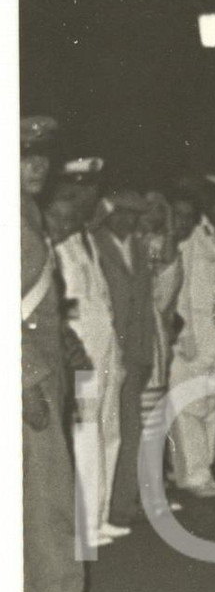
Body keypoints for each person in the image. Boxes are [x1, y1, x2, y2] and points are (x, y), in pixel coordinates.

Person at [21, 115, 129, 592]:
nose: (37, 167)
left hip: (39, 363)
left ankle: (28, 590)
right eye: (25, 157)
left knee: (29, 484)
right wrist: (24, 378)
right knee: (48, 486)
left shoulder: (23, 211)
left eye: (42, 157)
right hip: (25, 370)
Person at [47, 173, 127, 547]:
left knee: (109, 429)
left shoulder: (85, 240)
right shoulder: (57, 244)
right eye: (78, 198)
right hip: (80, 348)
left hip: (103, 345)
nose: (86, 207)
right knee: (86, 433)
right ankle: (85, 523)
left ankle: (100, 515)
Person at [91, 189, 156, 527]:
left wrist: (144, 354)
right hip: (102, 351)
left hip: (131, 354)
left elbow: (144, 306)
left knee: (129, 429)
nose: (126, 220)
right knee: (100, 430)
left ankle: (123, 502)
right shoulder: (95, 243)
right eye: (121, 213)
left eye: (133, 215)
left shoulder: (138, 248)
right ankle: (101, 508)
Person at [166, 190, 215, 496]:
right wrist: (185, 333)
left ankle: (205, 470)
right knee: (190, 405)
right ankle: (192, 474)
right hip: (193, 334)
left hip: (214, 334)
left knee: (210, 403)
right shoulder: (191, 234)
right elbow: (181, 286)